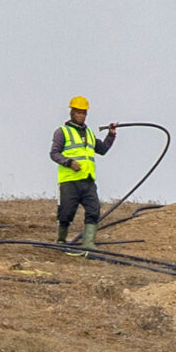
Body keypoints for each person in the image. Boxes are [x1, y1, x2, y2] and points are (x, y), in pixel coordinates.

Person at [51, 96, 119, 250]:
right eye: (79, 112)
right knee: (66, 212)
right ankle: (61, 240)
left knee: (94, 210)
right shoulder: (62, 132)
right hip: (70, 180)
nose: (81, 115)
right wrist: (69, 163)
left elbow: (102, 150)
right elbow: (54, 153)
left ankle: (89, 243)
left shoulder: (88, 133)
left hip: (88, 181)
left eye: (84, 113)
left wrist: (111, 134)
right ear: (72, 113)